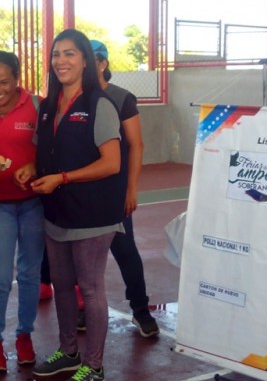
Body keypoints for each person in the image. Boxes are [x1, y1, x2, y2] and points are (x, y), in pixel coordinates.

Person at [17, 29, 126, 381]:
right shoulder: (48, 106)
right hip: (56, 212)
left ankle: (94, 366)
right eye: (56, 54)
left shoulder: (99, 104)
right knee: (62, 286)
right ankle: (68, 353)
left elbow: (112, 163)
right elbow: (44, 152)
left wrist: (62, 178)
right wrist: (32, 168)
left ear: (85, 61)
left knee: (90, 289)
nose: (60, 61)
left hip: (93, 214)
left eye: (69, 54)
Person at [0, 51, 45, 372]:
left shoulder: (37, 106)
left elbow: (53, 148)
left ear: (17, 79)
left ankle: (24, 335)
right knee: (0, 277)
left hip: (33, 202)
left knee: (30, 274)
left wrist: (35, 165)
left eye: (4, 82)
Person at [90, 39, 160, 338]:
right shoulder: (73, 98)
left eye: (88, 59)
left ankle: (141, 310)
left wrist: (131, 189)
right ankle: (83, 309)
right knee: (81, 256)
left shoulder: (121, 98)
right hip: (80, 192)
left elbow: (136, 145)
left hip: (114, 193)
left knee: (125, 250)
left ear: (102, 63)